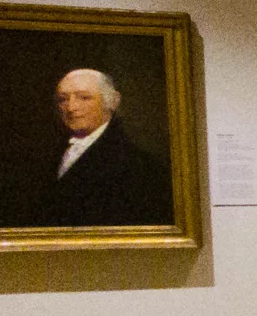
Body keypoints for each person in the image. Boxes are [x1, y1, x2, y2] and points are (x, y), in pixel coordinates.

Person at [47, 68, 172, 226]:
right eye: (63, 99)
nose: (71, 108)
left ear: (112, 101)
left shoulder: (137, 164)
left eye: (84, 98)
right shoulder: (51, 153)